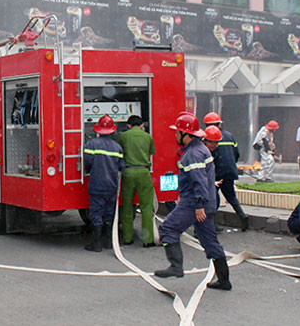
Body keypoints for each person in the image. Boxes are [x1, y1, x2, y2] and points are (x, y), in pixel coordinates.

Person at [155, 112, 231, 291]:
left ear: (186, 134)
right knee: (209, 241)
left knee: (167, 229)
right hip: (206, 202)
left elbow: (199, 181)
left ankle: (176, 266)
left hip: (195, 203)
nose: (175, 135)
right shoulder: (199, 150)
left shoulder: (193, 154)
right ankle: (224, 280)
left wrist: (198, 206)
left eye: (177, 132)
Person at [83, 114, 125, 252]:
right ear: (113, 130)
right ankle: (108, 242)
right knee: (109, 213)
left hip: (97, 185)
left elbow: (87, 163)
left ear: (98, 130)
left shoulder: (91, 145)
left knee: (96, 213)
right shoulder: (117, 147)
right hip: (112, 186)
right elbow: (121, 166)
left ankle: (96, 244)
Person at [203, 113, 249, 231]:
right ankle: (242, 216)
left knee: (213, 198)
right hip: (230, 170)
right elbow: (236, 153)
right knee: (231, 196)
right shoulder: (229, 136)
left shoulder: (207, 138)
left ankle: (212, 223)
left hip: (216, 172)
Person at [116, 115, 157, 247]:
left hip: (128, 172)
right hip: (144, 172)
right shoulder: (148, 136)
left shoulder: (123, 136)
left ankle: (128, 238)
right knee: (146, 207)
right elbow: (151, 153)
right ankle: (148, 239)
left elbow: (120, 153)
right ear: (141, 125)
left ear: (128, 125)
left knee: (127, 206)